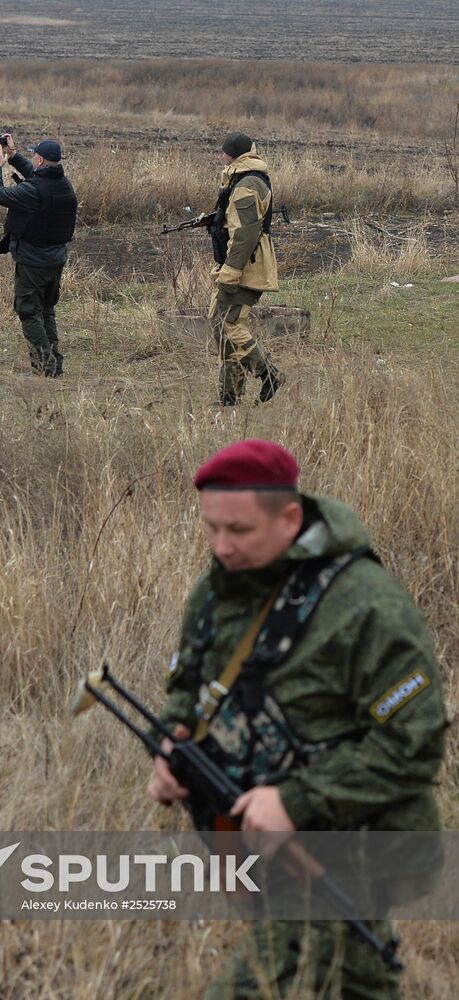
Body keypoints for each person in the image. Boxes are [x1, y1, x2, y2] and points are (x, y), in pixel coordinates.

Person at [148, 439, 446, 998]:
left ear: (289, 518)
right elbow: (187, 689)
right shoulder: (218, 592)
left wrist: (294, 801)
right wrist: (171, 744)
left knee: (261, 980)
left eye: (238, 531)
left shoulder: (365, 605)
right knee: (357, 980)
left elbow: (414, 741)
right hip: (258, 843)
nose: (222, 546)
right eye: (211, 529)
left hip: (350, 844)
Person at [0, 136, 78, 377]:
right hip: (56, 260)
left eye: (34, 156)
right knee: (46, 310)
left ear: (39, 159)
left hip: (32, 261)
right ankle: (54, 364)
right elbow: (37, 175)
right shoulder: (63, 184)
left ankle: (44, 366)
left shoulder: (33, 191)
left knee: (29, 311)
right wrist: (14, 156)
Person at [207, 132, 285, 405]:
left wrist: (231, 270)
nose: (221, 156)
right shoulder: (246, 178)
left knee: (228, 323)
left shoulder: (246, 184)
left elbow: (245, 233)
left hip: (245, 266)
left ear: (232, 155)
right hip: (244, 263)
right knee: (220, 324)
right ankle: (229, 395)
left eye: (223, 152)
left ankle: (268, 374)